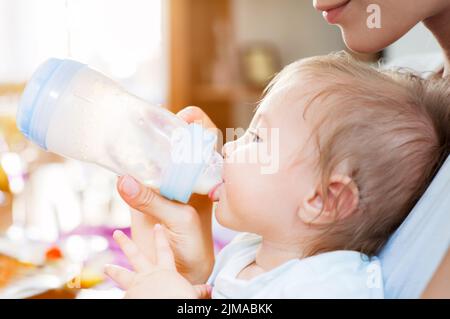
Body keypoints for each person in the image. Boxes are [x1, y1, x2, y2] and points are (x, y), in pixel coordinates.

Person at [114, 0, 450, 297]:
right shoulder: (247, 253)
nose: (228, 148)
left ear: (323, 200)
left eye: (258, 138)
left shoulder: (329, 286)